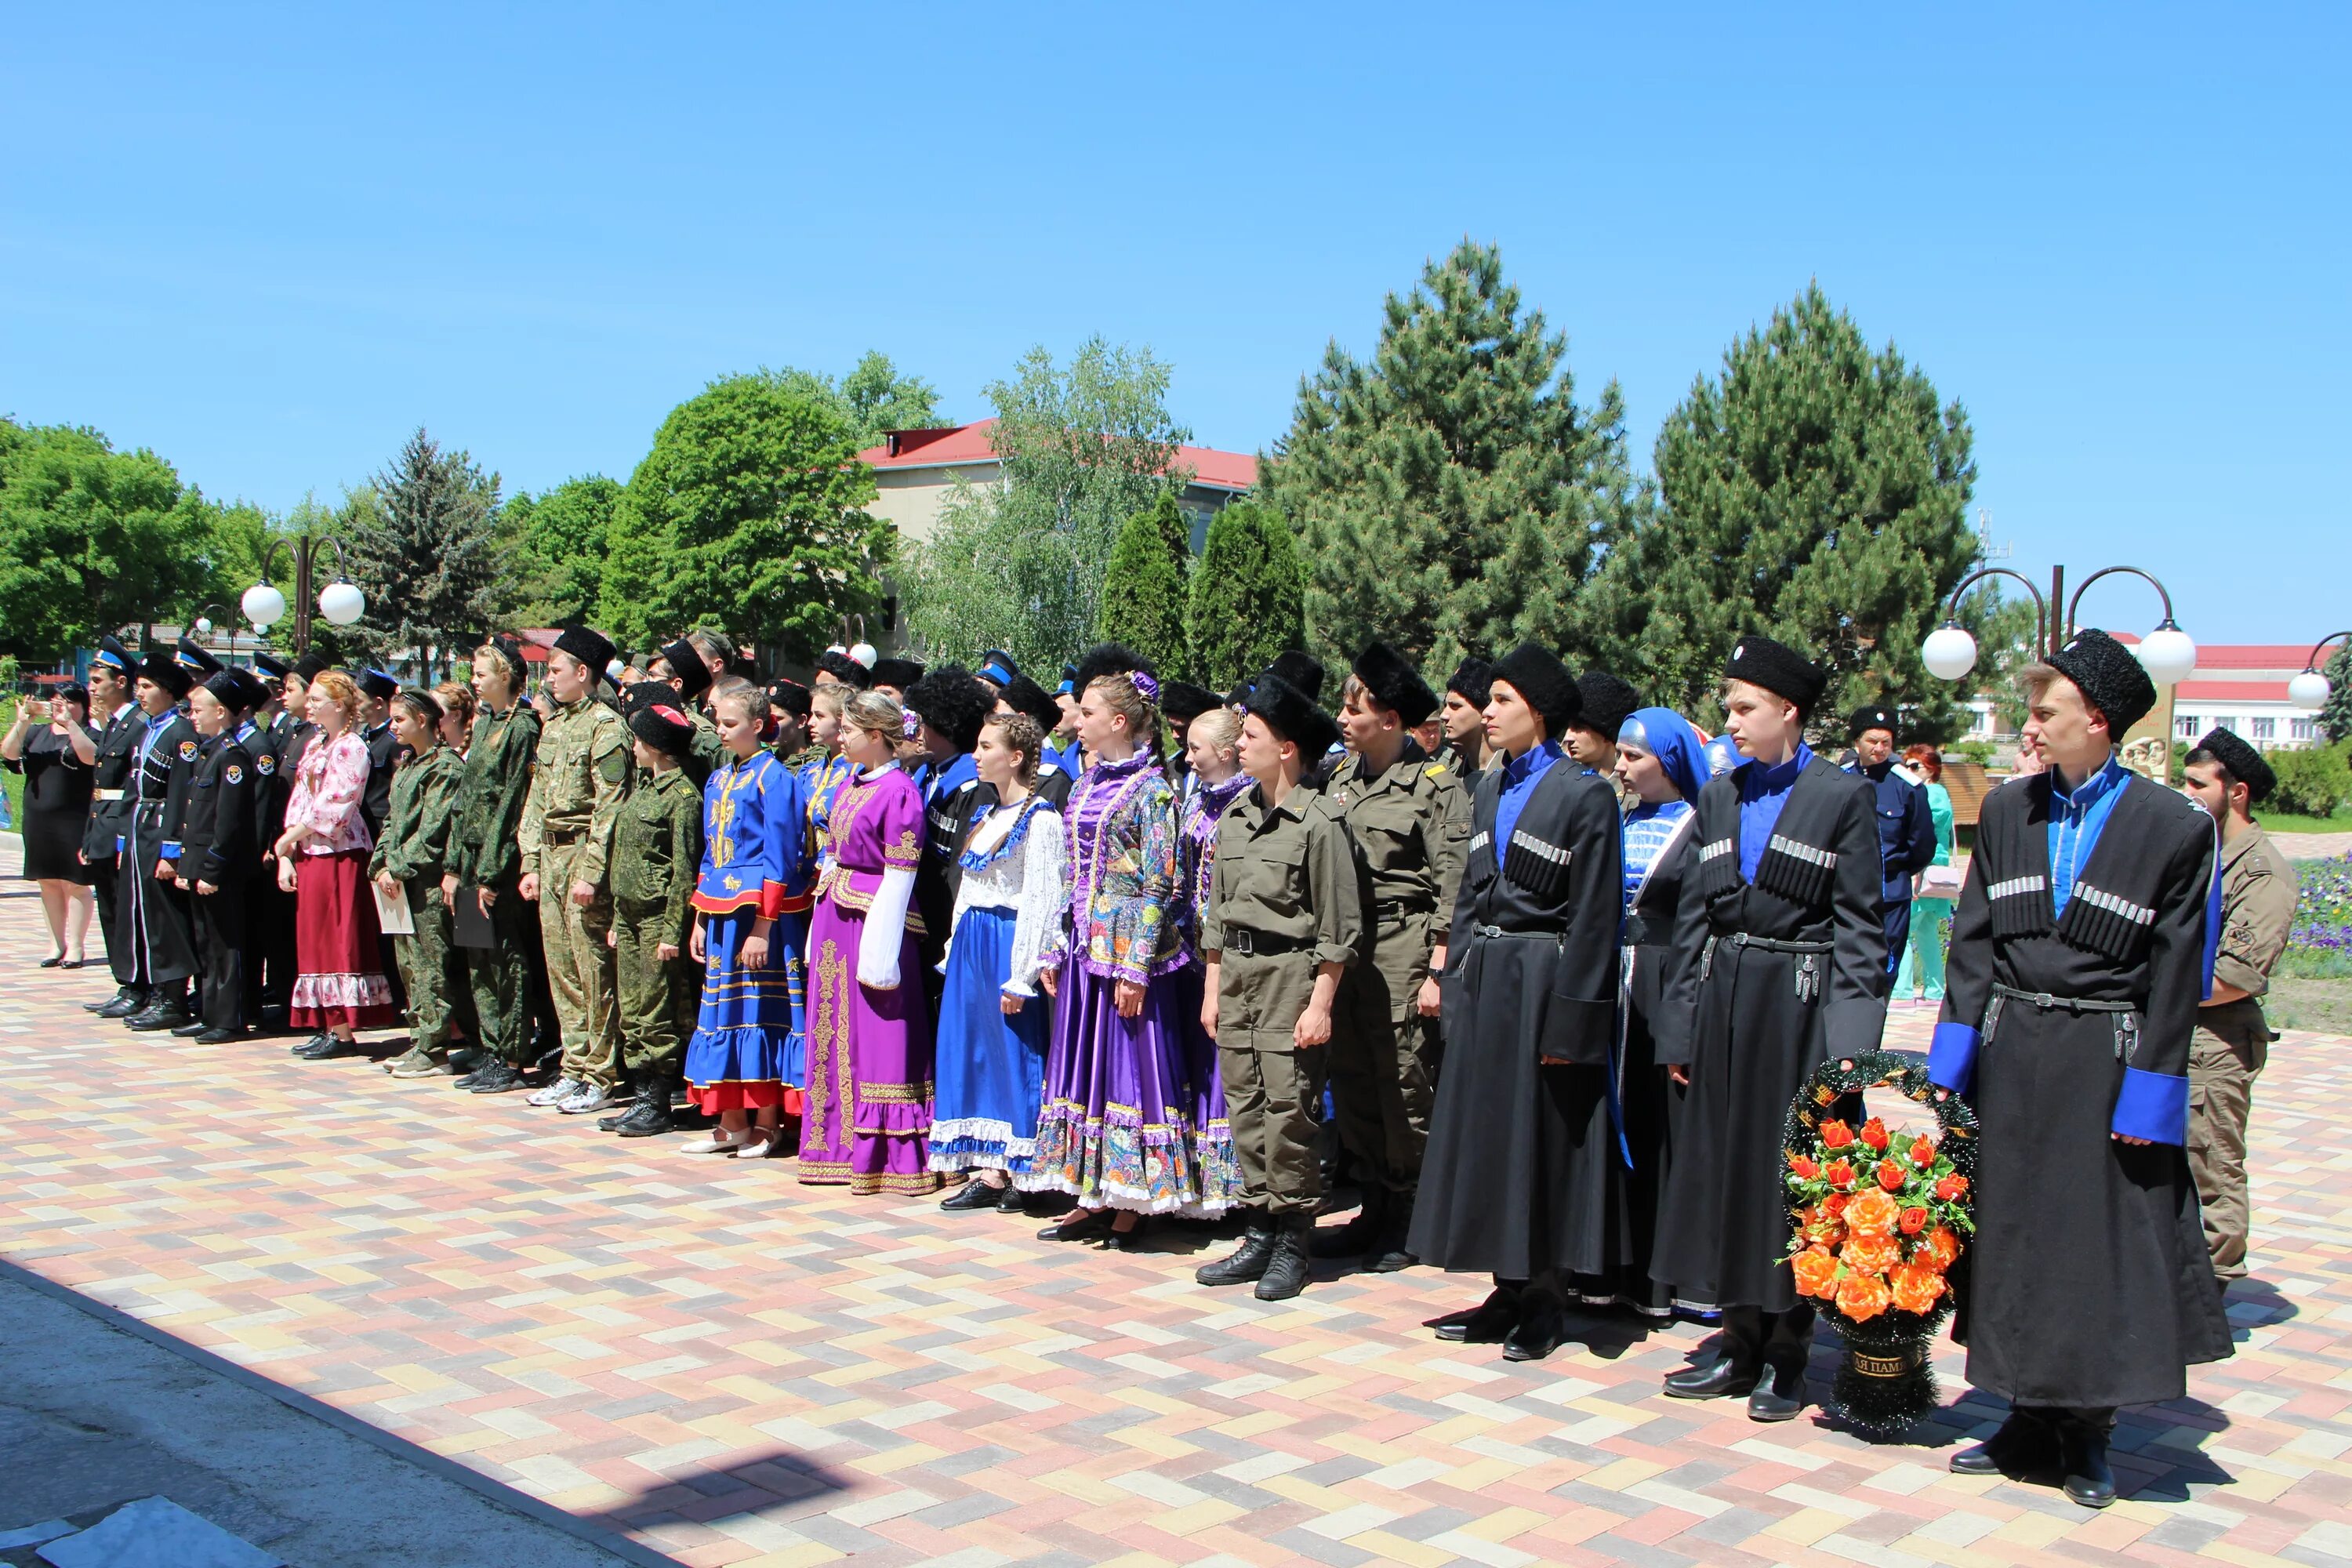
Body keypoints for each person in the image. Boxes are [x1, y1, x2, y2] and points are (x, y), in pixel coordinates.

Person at [1932, 631, 2231, 1508]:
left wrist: (2153, 1089)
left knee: (2094, 1242)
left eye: (2045, 710)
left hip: (2107, 1057)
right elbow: (1974, 940)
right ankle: (2021, 1409)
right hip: (2014, 1049)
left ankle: (2087, 1429)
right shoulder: (2008, 809)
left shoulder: (2173, 827)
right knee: (2014, 1230)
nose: (2032, 725)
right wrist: (1954, 1061)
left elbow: (2178, 971)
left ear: (2097, 720)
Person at [1652, 636, 1888, 1420]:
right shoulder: (1720, 796)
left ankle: (1789, 1351)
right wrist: (1679, 1029)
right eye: (1729, 705)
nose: (1732, 719)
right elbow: (1691, 922)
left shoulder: (1840, 797)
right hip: (1723, 1005)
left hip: (1801, 1007)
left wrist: (1847, 1052)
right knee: (1723, 1173)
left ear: (1789, 711)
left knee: (1792, 1182)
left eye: (1745, 706)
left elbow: (1861, 930)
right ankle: (1737, 1338)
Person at [1410, 645, 1624, 1361]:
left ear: (1538, 710)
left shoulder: (1584, 792)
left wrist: (1573, 1016)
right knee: (1493, 1137)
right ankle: (1504, 1284)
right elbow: (1470, 895)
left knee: (1543, 1140)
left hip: (1544, 981)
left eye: (1502, 700)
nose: (1489, 712)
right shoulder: (1490, 789)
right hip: (1488, 984)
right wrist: (1458, 980)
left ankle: (1544, 1297)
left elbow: (1596, 918)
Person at [1028, 659, 1214, 1239]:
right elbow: (1070, 874)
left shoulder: (1152, 790)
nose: (1075, 720)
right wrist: (1056, 947)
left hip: (1130, 955)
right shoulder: (1085, 782)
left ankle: (1136, 1193)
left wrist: (1136, 968)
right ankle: (1094, 1187)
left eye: (1084, 712)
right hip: (1087, 951)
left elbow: (1160, 880)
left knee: (1128, 1070)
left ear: (1117, 719)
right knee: (1085, 1070)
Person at [1194, 674, 1362, 1301]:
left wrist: (1321, 1004)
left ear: (1286, 748)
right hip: (1237, 978)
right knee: (1245, 1105)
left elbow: (1339, 928)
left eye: (1252, 736)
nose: (1239, 746)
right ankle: (1260, 1230)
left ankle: (1295, 1240)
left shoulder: (1319, 822)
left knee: (1289, 1111)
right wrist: (1213, 988)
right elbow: (1216, 913)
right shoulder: (1236, 815)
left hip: (1291, 975)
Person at [1314, 644, 1471, 1273]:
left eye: (1357, 709)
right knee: (1351, 1074)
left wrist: (1438, 966)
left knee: (1404, 1075)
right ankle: (1374, 1203)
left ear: (1390, 719)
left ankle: (1410, 1214)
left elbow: (1454, 880)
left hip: (1405, 944)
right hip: (1348, 949)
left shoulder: (1434, 785)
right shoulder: (1340, 780)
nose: (1344, 718)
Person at [799, 689, 937, 1192]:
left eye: (850, 730)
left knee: (876, 1033)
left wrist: (881, 951)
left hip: (875, 923)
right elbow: (834, 855)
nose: (840, 737)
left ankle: (885, 1155)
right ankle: (834, 1143)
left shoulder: (899, 791)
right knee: (835, 1032)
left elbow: (900, 874)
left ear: (876, 736)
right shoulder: (849, 784)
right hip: (838, 919)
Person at [932, 712, 1069, 1207]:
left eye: (986, 746)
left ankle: (1025, 1168)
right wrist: (954, 948)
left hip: (1009, 942)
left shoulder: (1042, 819)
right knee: (976, 1051)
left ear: (1015, 757)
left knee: (1015, 1051)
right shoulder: (987, 817)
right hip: (973, 941)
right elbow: (968, 890)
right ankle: (991, 1168)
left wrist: (1022, 974)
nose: (976, 754)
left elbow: (1042, 897)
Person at [2180, 728, 2299, 1284]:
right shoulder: (2202, 853)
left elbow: (2236, 975)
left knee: (2211, 1165)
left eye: (2198, 784)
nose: (2187, 793)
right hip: (2179, 1029)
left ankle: (2216, 1283)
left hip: (2217, 1042)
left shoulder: (2262, 872)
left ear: (2238, 792)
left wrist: (2152, 987)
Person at [681, 681, 810, 1155]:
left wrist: (764, 924)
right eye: (717, 720)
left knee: (761, 1011)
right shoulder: (718, 778)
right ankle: (731, 1121)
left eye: (730, 723)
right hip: (721, 915)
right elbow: (710, 854)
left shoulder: (774, 778)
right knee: (723, 1012)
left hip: (760, 918)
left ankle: (768, 1121)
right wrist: (699, 915)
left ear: (758, 726)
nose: (720, 729)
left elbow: (780, 855)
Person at [1611, 706, 1711, 1319]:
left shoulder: (1699, 827)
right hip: (1616, 981)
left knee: (1661, 1128)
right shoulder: (1619, 820)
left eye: (1633, 757)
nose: (1620, 768)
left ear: (1668, 762)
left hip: (1668, 979)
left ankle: (1663, 1277)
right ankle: (1610, 1267)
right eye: (1619, 754)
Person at [521, 626, 633, 1116]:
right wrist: (530, 861)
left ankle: (601, 1073)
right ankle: (573, 1065)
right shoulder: (556, 726)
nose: (549, 679)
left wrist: (591, 871)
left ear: (583, 673)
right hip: (551, 856)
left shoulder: (606, 727)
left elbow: (610, 807)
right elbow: (536, 800)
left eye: (555, 669)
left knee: (592, 969)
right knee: (561, 965)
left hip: (584, 855)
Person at [277, 670, 398, 1055]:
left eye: (317, 700)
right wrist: (288, 854)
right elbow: (299, 799)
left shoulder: (352, 747)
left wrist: (289, 839)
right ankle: (329, 1022)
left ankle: (343, 1030)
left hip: (340, 852)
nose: (309, 706)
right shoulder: (315, 745)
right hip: (310, 851)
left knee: (337, 939)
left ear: (340, 706)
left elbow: (337, 805)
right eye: (309, 699)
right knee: (313, 939)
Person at [441, 640, 543, 1094]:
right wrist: (452, 864)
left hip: (496, 860)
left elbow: (509, 803)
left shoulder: (521, 726)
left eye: (481, 674)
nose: (474, 682)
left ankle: (512, 1053)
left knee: (506, 958)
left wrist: (490, 871)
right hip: (467, 855)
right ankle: (489, 1046)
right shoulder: (484, 723)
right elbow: (466, 796)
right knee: (476, 954)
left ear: (506, 676)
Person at [602, 699, 706, 1138]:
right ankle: (641, 1091)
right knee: (631, 1009)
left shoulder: (683, 798)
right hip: (628, 915)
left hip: (656, 918)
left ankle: (657, 1100)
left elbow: (684, 870)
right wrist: (614, 917)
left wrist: (671, 931)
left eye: (640, 740)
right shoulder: (643, 788)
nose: (634, 747)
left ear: (656, 746)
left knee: (655, 1011)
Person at [1174, 706, 1251, 1215]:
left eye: (1197, 749)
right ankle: (1201, 1183)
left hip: (1235, 954)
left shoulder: (1249, 803)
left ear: (1226, 752)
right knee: (1199, 1062)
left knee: (1228, 1063)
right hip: (1192, 950)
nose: (1188, 757)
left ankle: (1234, 1189)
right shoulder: (1196, 800)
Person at [371, 689, 466, 1076]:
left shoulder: (443, 768)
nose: (393, 727)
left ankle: (435, 1046)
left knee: (431, 965)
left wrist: (397, 866)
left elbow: (432, 832)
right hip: (398, 880)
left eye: (400, 720)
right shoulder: (409, 765)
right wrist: (380, 864)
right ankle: (419, 1039)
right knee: (408, 962)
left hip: (423, 882)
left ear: (423, 721)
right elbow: (392, 822)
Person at [171, 669, 263, 1043]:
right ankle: (211, 1013)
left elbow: (227, 824)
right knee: (206, 944)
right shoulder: (210, 753)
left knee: (225, 946)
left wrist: (211, 869)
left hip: (219, 871)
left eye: (198, 710)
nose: (193, 717)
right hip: (200, 868)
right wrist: (187, 867)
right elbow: (196, 816)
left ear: (221, 712)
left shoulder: (232, 757)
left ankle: (229, 1018)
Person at [119, 648, 203, 1033]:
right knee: (140, 913)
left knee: (165, 916)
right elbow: (131, 787)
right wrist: (124, 840)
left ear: (168, 692)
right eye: (138, 686)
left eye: (148, 686)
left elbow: (180, 794)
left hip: (160, 829)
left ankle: (172, 996)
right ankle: (149, 988)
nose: (140, 693)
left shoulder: (181, 733)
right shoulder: (149, 727)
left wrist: (172, 849)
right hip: (141, 827)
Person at [903, 665, 996, 990]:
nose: (917, 730)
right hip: (919, 901)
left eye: (923, 721)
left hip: (943, 907)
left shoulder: (971, 783)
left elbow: (960, 862)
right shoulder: (927, 772)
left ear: (941, 725)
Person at [5, 680, 96, 967]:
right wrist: (22, 722)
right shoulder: (37, 733)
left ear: (83, 707)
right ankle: (56, 944)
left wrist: (70, 725)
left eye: (70, 701)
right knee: (48, 882)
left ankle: (77, 947)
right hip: (38, 817)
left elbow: (91, 757)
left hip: (74, 816)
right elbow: (8, 753)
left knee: (75, 883)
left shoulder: (89, 733)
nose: (62, 705)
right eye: (58, 699)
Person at [1846, 705, 1938, 979]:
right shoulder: (1838, 779)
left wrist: (1896, 871)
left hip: (1889, 896)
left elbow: (1922, 844)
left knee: (1881, 974)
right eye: (1872, 741)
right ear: (1856, 742)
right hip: (1845, 894)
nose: (1879, 748)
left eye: (1886, 742)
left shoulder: (1907, 786)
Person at [79, 640, 145, 1014]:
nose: (92, 687)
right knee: (109, 909)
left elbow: (131, 788)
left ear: (120, 681)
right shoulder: (113, 725)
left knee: (126, 912)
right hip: (103, 825)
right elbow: (100, 785)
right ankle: (124, 981)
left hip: (123, 827)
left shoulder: (136, 725)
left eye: (98, 679)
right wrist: (89, 836)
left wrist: (121, 838)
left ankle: (138, 985)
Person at [1894, 743, 1959, 1006]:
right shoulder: (1934, 792)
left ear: (1930, 770)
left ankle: (1901, 989)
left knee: (1906, 930)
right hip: (1933, 870)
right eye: (1905, 764)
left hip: (1925, 870)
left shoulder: (1932, 793)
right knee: (1927, 932)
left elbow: (1927, 825)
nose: (1908, 770)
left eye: (1914, 766)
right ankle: (1934, 988)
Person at [354, 669, 404, 841]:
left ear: (378, 703)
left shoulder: (396, 741)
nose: (354, 707)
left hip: (380, 828)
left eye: (359, 701)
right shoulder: (361, 737)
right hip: (360, 826)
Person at [1563, 670, 1639, 779]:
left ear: (1607, 735)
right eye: (1568, 726)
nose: (1568, 737)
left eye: (1579, 728)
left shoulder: (1637, 791)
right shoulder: (1561, 779)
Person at [1436, 657, 1494, 782]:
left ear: (1485, 711)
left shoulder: (1511, 776)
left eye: (1455, 706)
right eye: (1446, 706)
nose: (1443, 715)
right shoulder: (1448, 775)